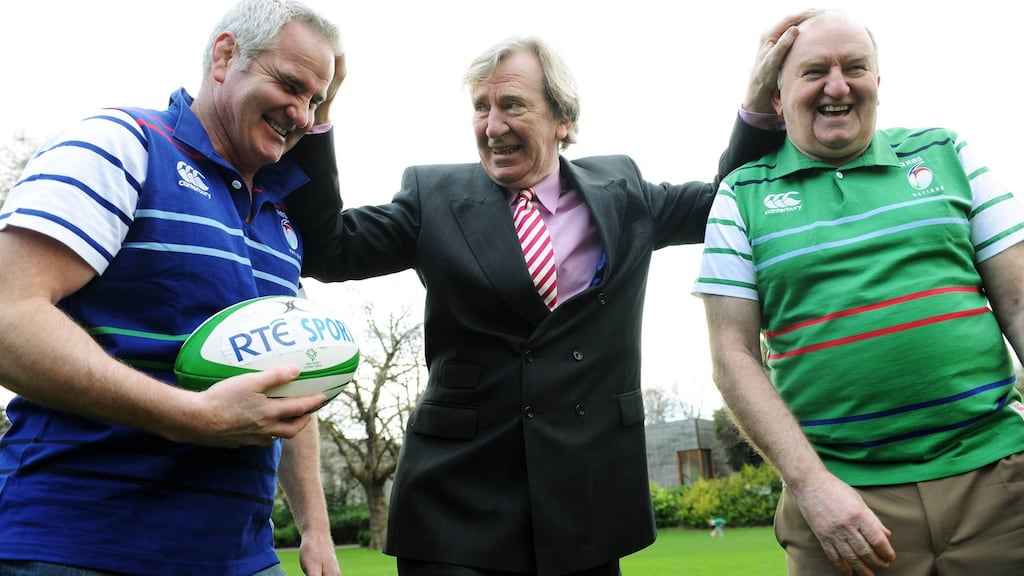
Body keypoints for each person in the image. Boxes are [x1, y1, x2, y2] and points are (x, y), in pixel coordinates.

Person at [287, 14, 811, 576]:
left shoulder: (623, 190)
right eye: (481, 108)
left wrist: (760, 103)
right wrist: (316, 120)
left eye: (512, 105)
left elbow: (725, 203)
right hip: (455, 505)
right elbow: (328, 250)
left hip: (585, 503)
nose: (492, 126)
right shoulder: (432, 197)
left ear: (563, 119)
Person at [0, 1, 348, 575]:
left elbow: (291, 383)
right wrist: (189, 415)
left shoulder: (280, 217)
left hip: (241, 557)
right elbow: (8, 314)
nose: (303, 115)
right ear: (225, 56)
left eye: (316, 99)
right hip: (74, 548)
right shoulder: (122, 143)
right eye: (290, 84)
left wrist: (315, 529)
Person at [694, 10, 1024, 576]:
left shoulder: (947, 152)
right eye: (814, 71)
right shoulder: (740, 195)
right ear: (778, 98)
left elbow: (1018, 304)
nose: (838, 86)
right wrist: (812, 486)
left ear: (879, 81)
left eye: (855, 68)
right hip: (841, 505)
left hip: (998, 483)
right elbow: (734, 356)